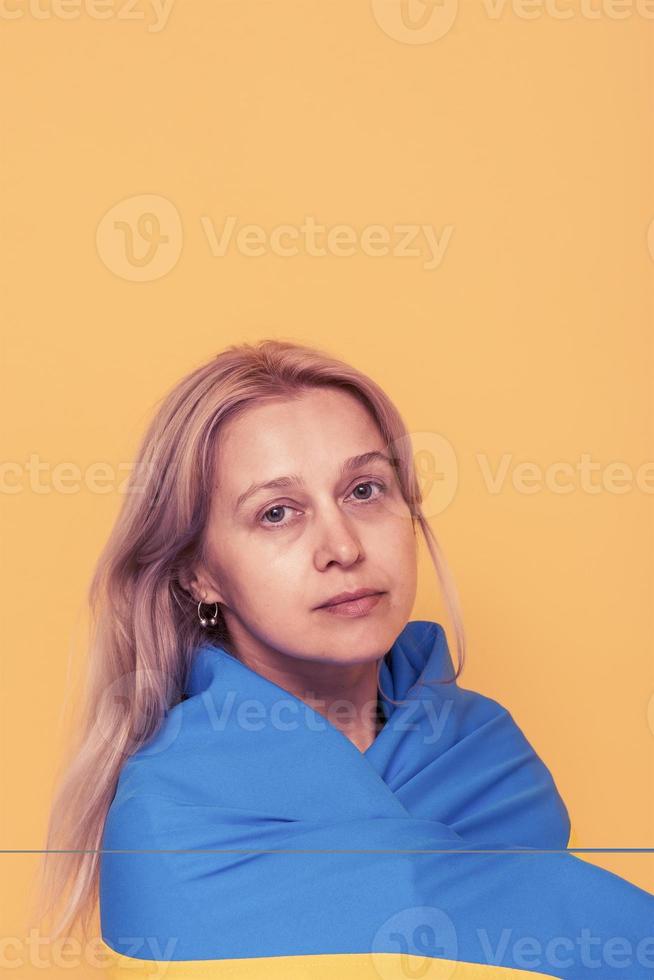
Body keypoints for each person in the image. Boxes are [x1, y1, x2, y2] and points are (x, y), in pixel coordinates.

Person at [32, 339, 654, 978]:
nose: (342, 546)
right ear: (199, 575)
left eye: (364, 490)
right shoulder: (171, 818)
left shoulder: (487, 750)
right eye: (277, 513)